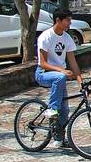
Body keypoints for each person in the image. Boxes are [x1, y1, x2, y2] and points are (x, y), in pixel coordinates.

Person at [35, 10, 82, 148]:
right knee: (60, 78)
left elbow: (73, 62)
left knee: (66, 110)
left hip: (59, 77)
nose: (70, 23)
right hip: (43, 73)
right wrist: (61, 70)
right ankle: (52, 109)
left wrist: (81, 81)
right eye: (67, 20)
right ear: (58, 20)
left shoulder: (67, 38)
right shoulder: (46, 37)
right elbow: (42, 63)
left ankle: (59, 138)